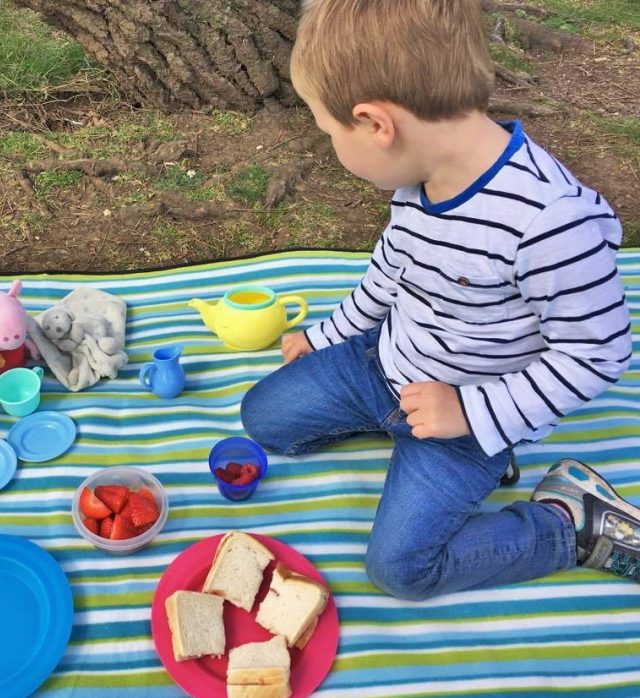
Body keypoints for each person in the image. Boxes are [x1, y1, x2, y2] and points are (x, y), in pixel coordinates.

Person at [240, 0, 640, 599]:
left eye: (329, 132)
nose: (332, 149)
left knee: (401, 571)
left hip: (468, 414)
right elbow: (390, 270)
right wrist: (326, 335)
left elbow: (597, 352)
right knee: (262, 419)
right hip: (385, 365)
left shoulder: (549, 223)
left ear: (377, 123)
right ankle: (397, 425)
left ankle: (566, 527)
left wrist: (473, 414)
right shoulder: (419, 176)